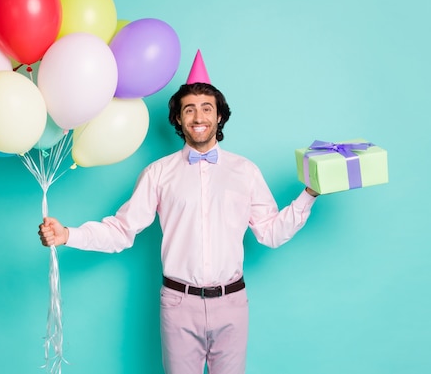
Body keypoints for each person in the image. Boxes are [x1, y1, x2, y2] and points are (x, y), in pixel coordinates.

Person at [38, 50, 319, 374]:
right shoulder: (157, 173)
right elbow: (121, 230)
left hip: (232, 304)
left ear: (220, 117)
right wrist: (68, 235)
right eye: (189, 109)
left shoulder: (245, 171)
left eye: (206, 109)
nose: (198, 117)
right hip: (177, 303)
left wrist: (309, 193)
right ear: (178, 119)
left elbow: (270, 232)